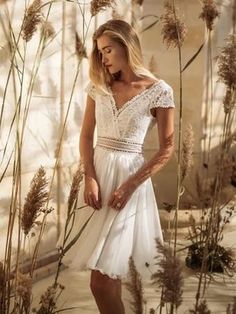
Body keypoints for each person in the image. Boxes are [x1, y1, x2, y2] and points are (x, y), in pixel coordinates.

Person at [59, 19, 175, 314]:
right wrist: (90, 178)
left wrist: (131, 185)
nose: (103, 58)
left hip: (129, 186)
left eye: (108, 50)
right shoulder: (98, 87)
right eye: (99, 52)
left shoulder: (160, 91)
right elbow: (86, 136)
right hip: (100, 180)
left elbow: (167, 149)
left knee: (102, 282)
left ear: (126, 46)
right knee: (106, 279)